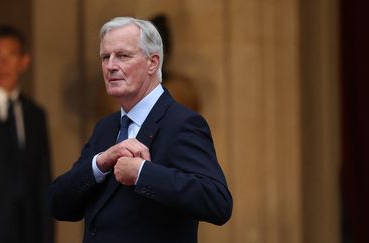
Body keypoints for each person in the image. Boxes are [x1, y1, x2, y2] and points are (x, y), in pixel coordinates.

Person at [49, 17, 233, 243]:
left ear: (153, 63)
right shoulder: (105, 128)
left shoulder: (182, 123)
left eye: (123, 56)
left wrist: (142, 173)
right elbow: (58, 204)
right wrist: (100, 162)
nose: (110, 66)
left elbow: (217, 202)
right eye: (105, 57)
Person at [0, 25, 54, 243]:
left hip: (28, 232)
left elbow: (42, 180)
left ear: (24, 61)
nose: (3, 64)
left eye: (10, 55)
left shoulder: (36, 115)